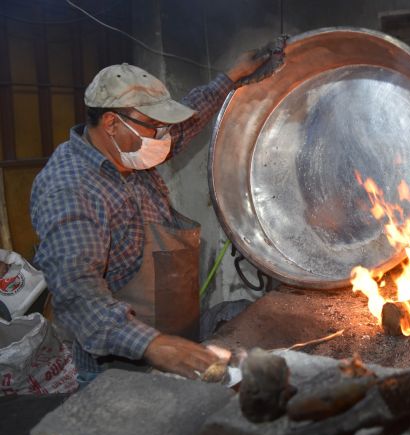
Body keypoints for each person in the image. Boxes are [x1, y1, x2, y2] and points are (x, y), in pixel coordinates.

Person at [29, 46, 280, 385]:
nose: (164, 136)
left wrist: (233, 76)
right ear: (112, 123)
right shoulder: (70, 189)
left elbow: (190, 117)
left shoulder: (132, 151)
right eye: (154, 126)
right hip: (119, 369)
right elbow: (77, 292)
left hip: (174, 341)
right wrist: (153, 344)